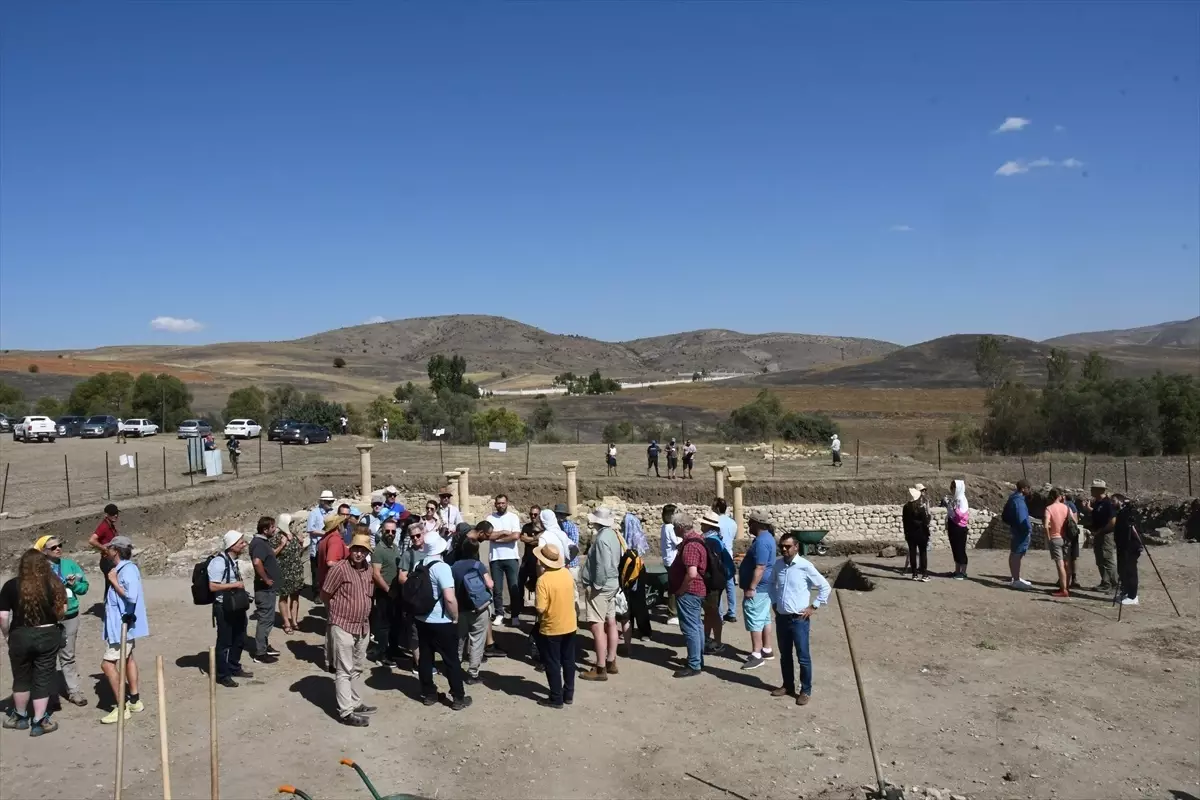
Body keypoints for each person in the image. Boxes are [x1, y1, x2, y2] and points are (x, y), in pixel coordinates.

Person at [1, 550, 66, 735]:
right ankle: (39, 721)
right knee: (43, 677)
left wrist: (7, 635)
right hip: (47, 634)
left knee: (21, 677)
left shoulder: (11, 585)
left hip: (20, 635)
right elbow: (62, 612)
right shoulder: (53, 584)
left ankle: (20, 717)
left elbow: (2, 617)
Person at [768, 532, 831, 706]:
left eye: (788, 546)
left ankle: (805, 690)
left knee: (803, 656)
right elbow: (771, 584)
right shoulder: (778, 565)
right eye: (782, 546)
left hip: (799, 619)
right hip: (782, 618)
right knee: (785, 655)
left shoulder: (805, 566)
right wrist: (774, 602)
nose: (784, 549)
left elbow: (825, 587)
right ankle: (787, 685)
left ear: (796, 547)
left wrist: (814, 606)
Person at [321, 532, 377, 726]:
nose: (359, 554)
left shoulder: (368, 570)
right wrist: (334, 614)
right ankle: (346, 712)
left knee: (358, 667)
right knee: (344, 669)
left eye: (363, 550)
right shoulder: (339, 569)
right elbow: (326, 593)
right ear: (350, 550)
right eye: (356, 549)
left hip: (362, 626)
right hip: (343, 624)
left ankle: (355, 702)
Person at [413, 533, 471, 711]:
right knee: (451, 659)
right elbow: (449, 598)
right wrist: (454, 617)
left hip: (422, 618)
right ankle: (458, 697)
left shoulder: (418, 565)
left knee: (426, 657)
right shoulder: (442, 568)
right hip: (441, 620)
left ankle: (429, 694)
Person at [34, 535, 89, 706]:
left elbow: (84, 587)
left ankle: (73, 691)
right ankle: (48, 694)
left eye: (60, 545)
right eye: (53, 547)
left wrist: (73, 585)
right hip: (48, 618)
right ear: (43, 551)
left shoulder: (69, 565)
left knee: (68, 655)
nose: (58, 548)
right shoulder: (39, 569)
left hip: (70, 615)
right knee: (47, 656)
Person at [100, 536, 149, 723]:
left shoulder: (126, 570)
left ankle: (122, 707)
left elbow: (131, 596)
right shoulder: (123, 569)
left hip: (122, 626)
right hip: (122, 625)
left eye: (110, 548)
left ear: (116, 551)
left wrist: (113, 581)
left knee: (107, 664)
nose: (107, 551)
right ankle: (135, 700)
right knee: (128, 658)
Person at [579, 506, 622, 681]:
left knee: (597, 626)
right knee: (611, 621)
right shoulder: (612, 535)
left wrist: (596, 585)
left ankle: (600, 667)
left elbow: (602, 566)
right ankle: (611, 661)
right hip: (612, 583)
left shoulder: (602, 538)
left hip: (602, 586)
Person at [533, 543, 576, 708]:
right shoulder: (566, 573)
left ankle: (556, 697)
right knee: (568, 660)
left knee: (553, 662)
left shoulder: (543, 581)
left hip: (551, 627)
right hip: (570, 623)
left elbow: (540, 608)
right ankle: (569, 693)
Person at [208, 531, 253, 688]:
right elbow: (212, 586)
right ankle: (222, 674)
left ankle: (234, 667)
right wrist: (235, 585)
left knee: (240, 638)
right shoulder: (218, 563)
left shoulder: (233, 561)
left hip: (236, 607)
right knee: (225, 641)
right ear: (232, 545)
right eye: (241, 542)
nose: (244, 545)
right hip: (224, 608)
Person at [667, 510, 707, 678]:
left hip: (690, 592)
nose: (674, 530)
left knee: (690, 628)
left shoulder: (690, 546)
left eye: (675, 527)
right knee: (697, 626)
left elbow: (691, 573)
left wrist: (681, 590)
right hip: (697, 591)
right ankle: (697, 659)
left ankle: (694, 664)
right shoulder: (698, 539)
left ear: (681, 527)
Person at [451, 538, 493, 684]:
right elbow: (490, 584)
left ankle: (454, 668)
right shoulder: (478, 565)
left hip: (460, 609)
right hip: (479, 609)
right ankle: (472, 673)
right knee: (477, 641)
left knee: (459, 640)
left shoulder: (454, 567)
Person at [738, 514, 776, 671]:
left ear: (757, 524)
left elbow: (760, 567)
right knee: (764, 618)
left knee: (754, 618)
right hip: (765, 587)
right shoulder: (767, 539)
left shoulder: (761, 542)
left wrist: (751, 587)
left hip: (758, 588)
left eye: (750, 523)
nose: (748, 526)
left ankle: (757, 654)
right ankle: (766, 649)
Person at [249, 517, 284, 663]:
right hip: (264, 590)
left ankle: (264, 646)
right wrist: (266, 578)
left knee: (268, 619)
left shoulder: (262, 543)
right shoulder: (258, 544)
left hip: (267, 589)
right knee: (265, 620)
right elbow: (257, 562)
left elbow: (267, 557)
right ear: (265, 530)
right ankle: (260, 653)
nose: (275, 529)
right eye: (272, 527)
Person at [485, 494, 522, 627]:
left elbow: (516, 535)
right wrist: (504, 533)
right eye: (498, 503)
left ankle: (515, 615)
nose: (501, 505)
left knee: (514, 588)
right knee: (497, 589)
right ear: (495, 504)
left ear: (507, 503)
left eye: (503, 503)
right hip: (496, 558)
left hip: (511, 557)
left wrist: (498, 538)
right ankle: (499, 613)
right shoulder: (490, 518)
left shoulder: (513, 517)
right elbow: (488, 535)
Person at [700, 510, 733, 655]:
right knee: (710, 612)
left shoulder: (710, 541)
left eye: (703, 523)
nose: (701, 525)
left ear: (708, 526)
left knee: (713, 613)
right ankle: (707, 639)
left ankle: (717, 642)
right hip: (716, 581)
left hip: (713, 582)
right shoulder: (716, 539)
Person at [369, 519, 402, 665]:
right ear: (382, 531)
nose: (390, 534)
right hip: (384, 592)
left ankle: (394, 650)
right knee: (383, 625)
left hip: (395, 592)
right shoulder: (379, 550)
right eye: (387, 531)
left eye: (393, 531)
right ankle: (382, 654)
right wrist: (388, 590)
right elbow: (376, 574)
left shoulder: (394, 548)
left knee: (395, 623)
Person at [620, 511, 651, 644]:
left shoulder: (637, 537)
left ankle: (645, 631)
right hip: (626, 570)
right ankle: (629, 629)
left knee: (639, 601)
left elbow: (640, 553)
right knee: (627, 601)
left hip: (637, 570)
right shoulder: (622, 537)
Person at [273, 513, 306, 636]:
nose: (292, 525)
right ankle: (286, 622)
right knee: (283, 597)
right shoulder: (277, 538)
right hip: (283, 572)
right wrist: (282, 545)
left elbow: (299, 554)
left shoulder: (295, 536)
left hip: (296, 571)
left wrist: (301, 544)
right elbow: (272, 555)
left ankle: (294, 621)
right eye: (290, 523)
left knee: (295, 597)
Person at [1043, 489, 1075, 598]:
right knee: (1067, 563)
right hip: (1066, 538)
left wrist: (1048, 538)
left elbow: (1046, 525)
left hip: (1055, 538)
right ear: (1060, 497)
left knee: (1060, 564)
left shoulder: (1049, 509)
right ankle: (1067, 586)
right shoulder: (1066, 508)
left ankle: (1063, 589)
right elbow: (1074, 521)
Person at [1088, 479, 1118, 593]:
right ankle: (1106, 582)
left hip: (1105, 535)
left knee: (1107, 559)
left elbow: (1112, 521)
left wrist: (1100, 531)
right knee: (1100, 559)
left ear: (1099, 490)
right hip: (1098, 534)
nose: (1091, 490)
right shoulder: (1098, 503)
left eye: (1093, 488)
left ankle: (1114, 583)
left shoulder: (1107, 503)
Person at [1113, 494, 1143, 606]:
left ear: (1121, 501)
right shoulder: (1120, 513)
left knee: (1130, 570)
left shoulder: (1128, 513)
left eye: (1114, 500)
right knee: (1122, 570)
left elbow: (1134, 529)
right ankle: (1125, 592)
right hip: (1122, 547)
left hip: (1130, 547)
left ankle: (1133, 596)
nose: (1112, 503)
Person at [1003, 480, 1034, 588]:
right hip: (1021, 532)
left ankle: (1015, 576)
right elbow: (1022, 518)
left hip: (1015, 530)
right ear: (1023, 489)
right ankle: (1016, 580)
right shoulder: (1019, 502)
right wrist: (1027, 530)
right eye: (1028, 488)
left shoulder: (1013, 498)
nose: (1030, 490)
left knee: (1014, 553)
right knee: (1017, 554)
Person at [307, 490, 336, 599]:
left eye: (331, 501)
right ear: (322, 501)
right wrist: (324, 533)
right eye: (328, 501)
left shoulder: (332, 512)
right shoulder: (314, 513)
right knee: (317, 572)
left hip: (329, 547)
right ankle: (317, 593)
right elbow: (310, 530)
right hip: (317, 548)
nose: (330, 503)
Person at [713, 498, 738, 622]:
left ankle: (720, 614)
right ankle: (732, 612)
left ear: (717, 508)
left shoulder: (715, 521)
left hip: (718, 555)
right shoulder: (732, 522)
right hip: (729, 554)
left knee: (718, 585)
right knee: (730, 584)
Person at [88, 503, 120, 595]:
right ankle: (109, 606)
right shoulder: (104, 526)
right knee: (111, 585)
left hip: (111, 559)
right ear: (106, 515)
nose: (115, 515)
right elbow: (92, 540)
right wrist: (105, 549)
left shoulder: (110, 525)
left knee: (111, 585)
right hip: (107, 561)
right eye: (112, 513)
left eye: (116, 513)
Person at [902, 488, 931, 581]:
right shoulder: (921, 508)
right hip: (922, 534)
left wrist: (906, 534)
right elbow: (926, 521)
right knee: (923, 554)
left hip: (910, 534)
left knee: (913, 553)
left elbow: (905, 522)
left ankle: (914, 574)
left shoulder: (906, 507)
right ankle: (924, 574)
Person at [660, 503, 682, 625]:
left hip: (668, 560)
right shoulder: (669, 528)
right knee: (674, 588)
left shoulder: (664, 527)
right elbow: (677, 542)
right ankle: (672, 614)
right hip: (673, 560)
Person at [946, 479, 970, 580]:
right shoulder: (955, 499)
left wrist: (954, 508)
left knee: (960, 550)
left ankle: (963, 572)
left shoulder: (962, 500)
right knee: (955, 549)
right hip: (953, 526)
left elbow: (962, 515)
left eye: (954, 488)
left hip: (959, 528)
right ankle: (957, 571)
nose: (952, 490)